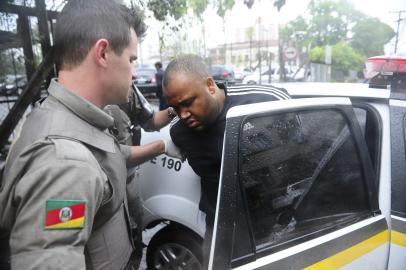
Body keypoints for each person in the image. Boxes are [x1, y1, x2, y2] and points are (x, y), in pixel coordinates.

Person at [0, 1, 181, 269]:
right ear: (103, 53)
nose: (134, 72)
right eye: (131, 59)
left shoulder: (62, 116)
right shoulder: (66, 164)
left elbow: (103, 156)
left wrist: (160, 145)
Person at [162, 54, 290, 269]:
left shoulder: (266, 100)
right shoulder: (180, 133)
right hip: (222, 229)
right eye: (176, 108)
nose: (183, 115)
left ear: (210, 86)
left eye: (187, 103)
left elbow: (303, 144)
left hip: (278, 223)